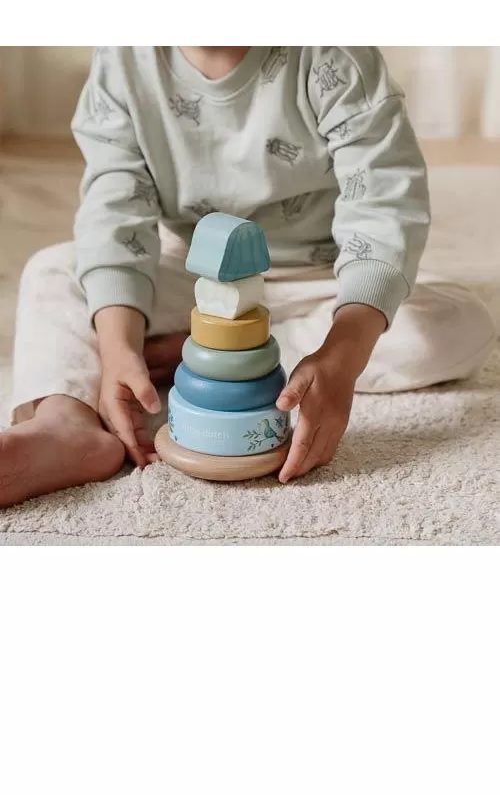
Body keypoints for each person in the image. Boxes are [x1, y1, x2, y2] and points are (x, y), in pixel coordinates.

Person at [0, 47, 495, 508]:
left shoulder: (333, 56)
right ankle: (65, 421)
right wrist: (117, 345)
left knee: (456, 325)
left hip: (318, 275)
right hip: (197, 277)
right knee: (54, 271)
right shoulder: (124, 61)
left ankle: (218, 353)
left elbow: (384, 207)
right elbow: (115, 214)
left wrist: (343, 355)